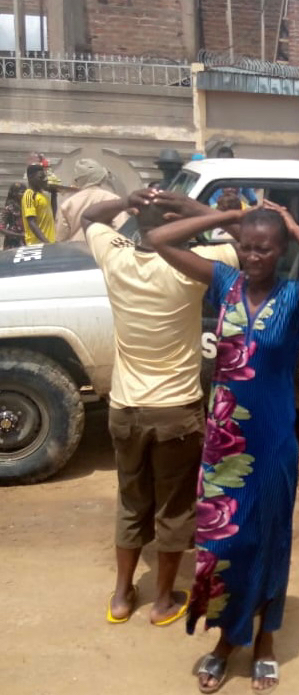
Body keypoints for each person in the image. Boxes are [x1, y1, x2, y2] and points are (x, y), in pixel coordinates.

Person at [146, 199, 299, 693]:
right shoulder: (222, 282)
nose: (254, 256)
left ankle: (266, 639)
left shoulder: (298, 296)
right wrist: (225, 219)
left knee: (270, 541)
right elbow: (159, 240)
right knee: (221, 544)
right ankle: (227, 639)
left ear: (279, 252)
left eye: (265, 248)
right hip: (223, 447)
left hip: (274, 443)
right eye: (247, 247)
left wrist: (295, 227)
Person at [82, 189, 241, 630]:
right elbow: (247, 237)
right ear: (174, 221)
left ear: (136, 220)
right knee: (174, 508)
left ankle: (120, 596)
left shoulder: (115, 258)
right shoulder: (194, 266)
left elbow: (90, 216)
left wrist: (125, 203)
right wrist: (197, 211)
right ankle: (164, 601)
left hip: (125, 408)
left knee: (131, 503)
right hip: (176, 410)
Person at [55, 158, 128, 243]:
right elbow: (122, 230)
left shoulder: (68, 204)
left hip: (76, 252)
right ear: (101, 177)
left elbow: (60, 238)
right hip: (104, 251)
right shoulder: (114, 200)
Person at [21, 164, 56, 245]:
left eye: (44, 177)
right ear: (30, 177)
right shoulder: (29, 195)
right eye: (40, 177)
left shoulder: (43, 195)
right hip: (37, 244)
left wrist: (54, 195)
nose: (44, 179)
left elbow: (52, 215)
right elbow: (31, 222)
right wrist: (46, 242)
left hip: (49, 242)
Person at [0, 181, 25, 249]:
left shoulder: (27, 206)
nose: (24, 194)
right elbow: (1, 228)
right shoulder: (9, 208)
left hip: (26, 241)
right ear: (14, 193)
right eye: (22, 192)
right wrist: (19, 235)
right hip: (13, 243)